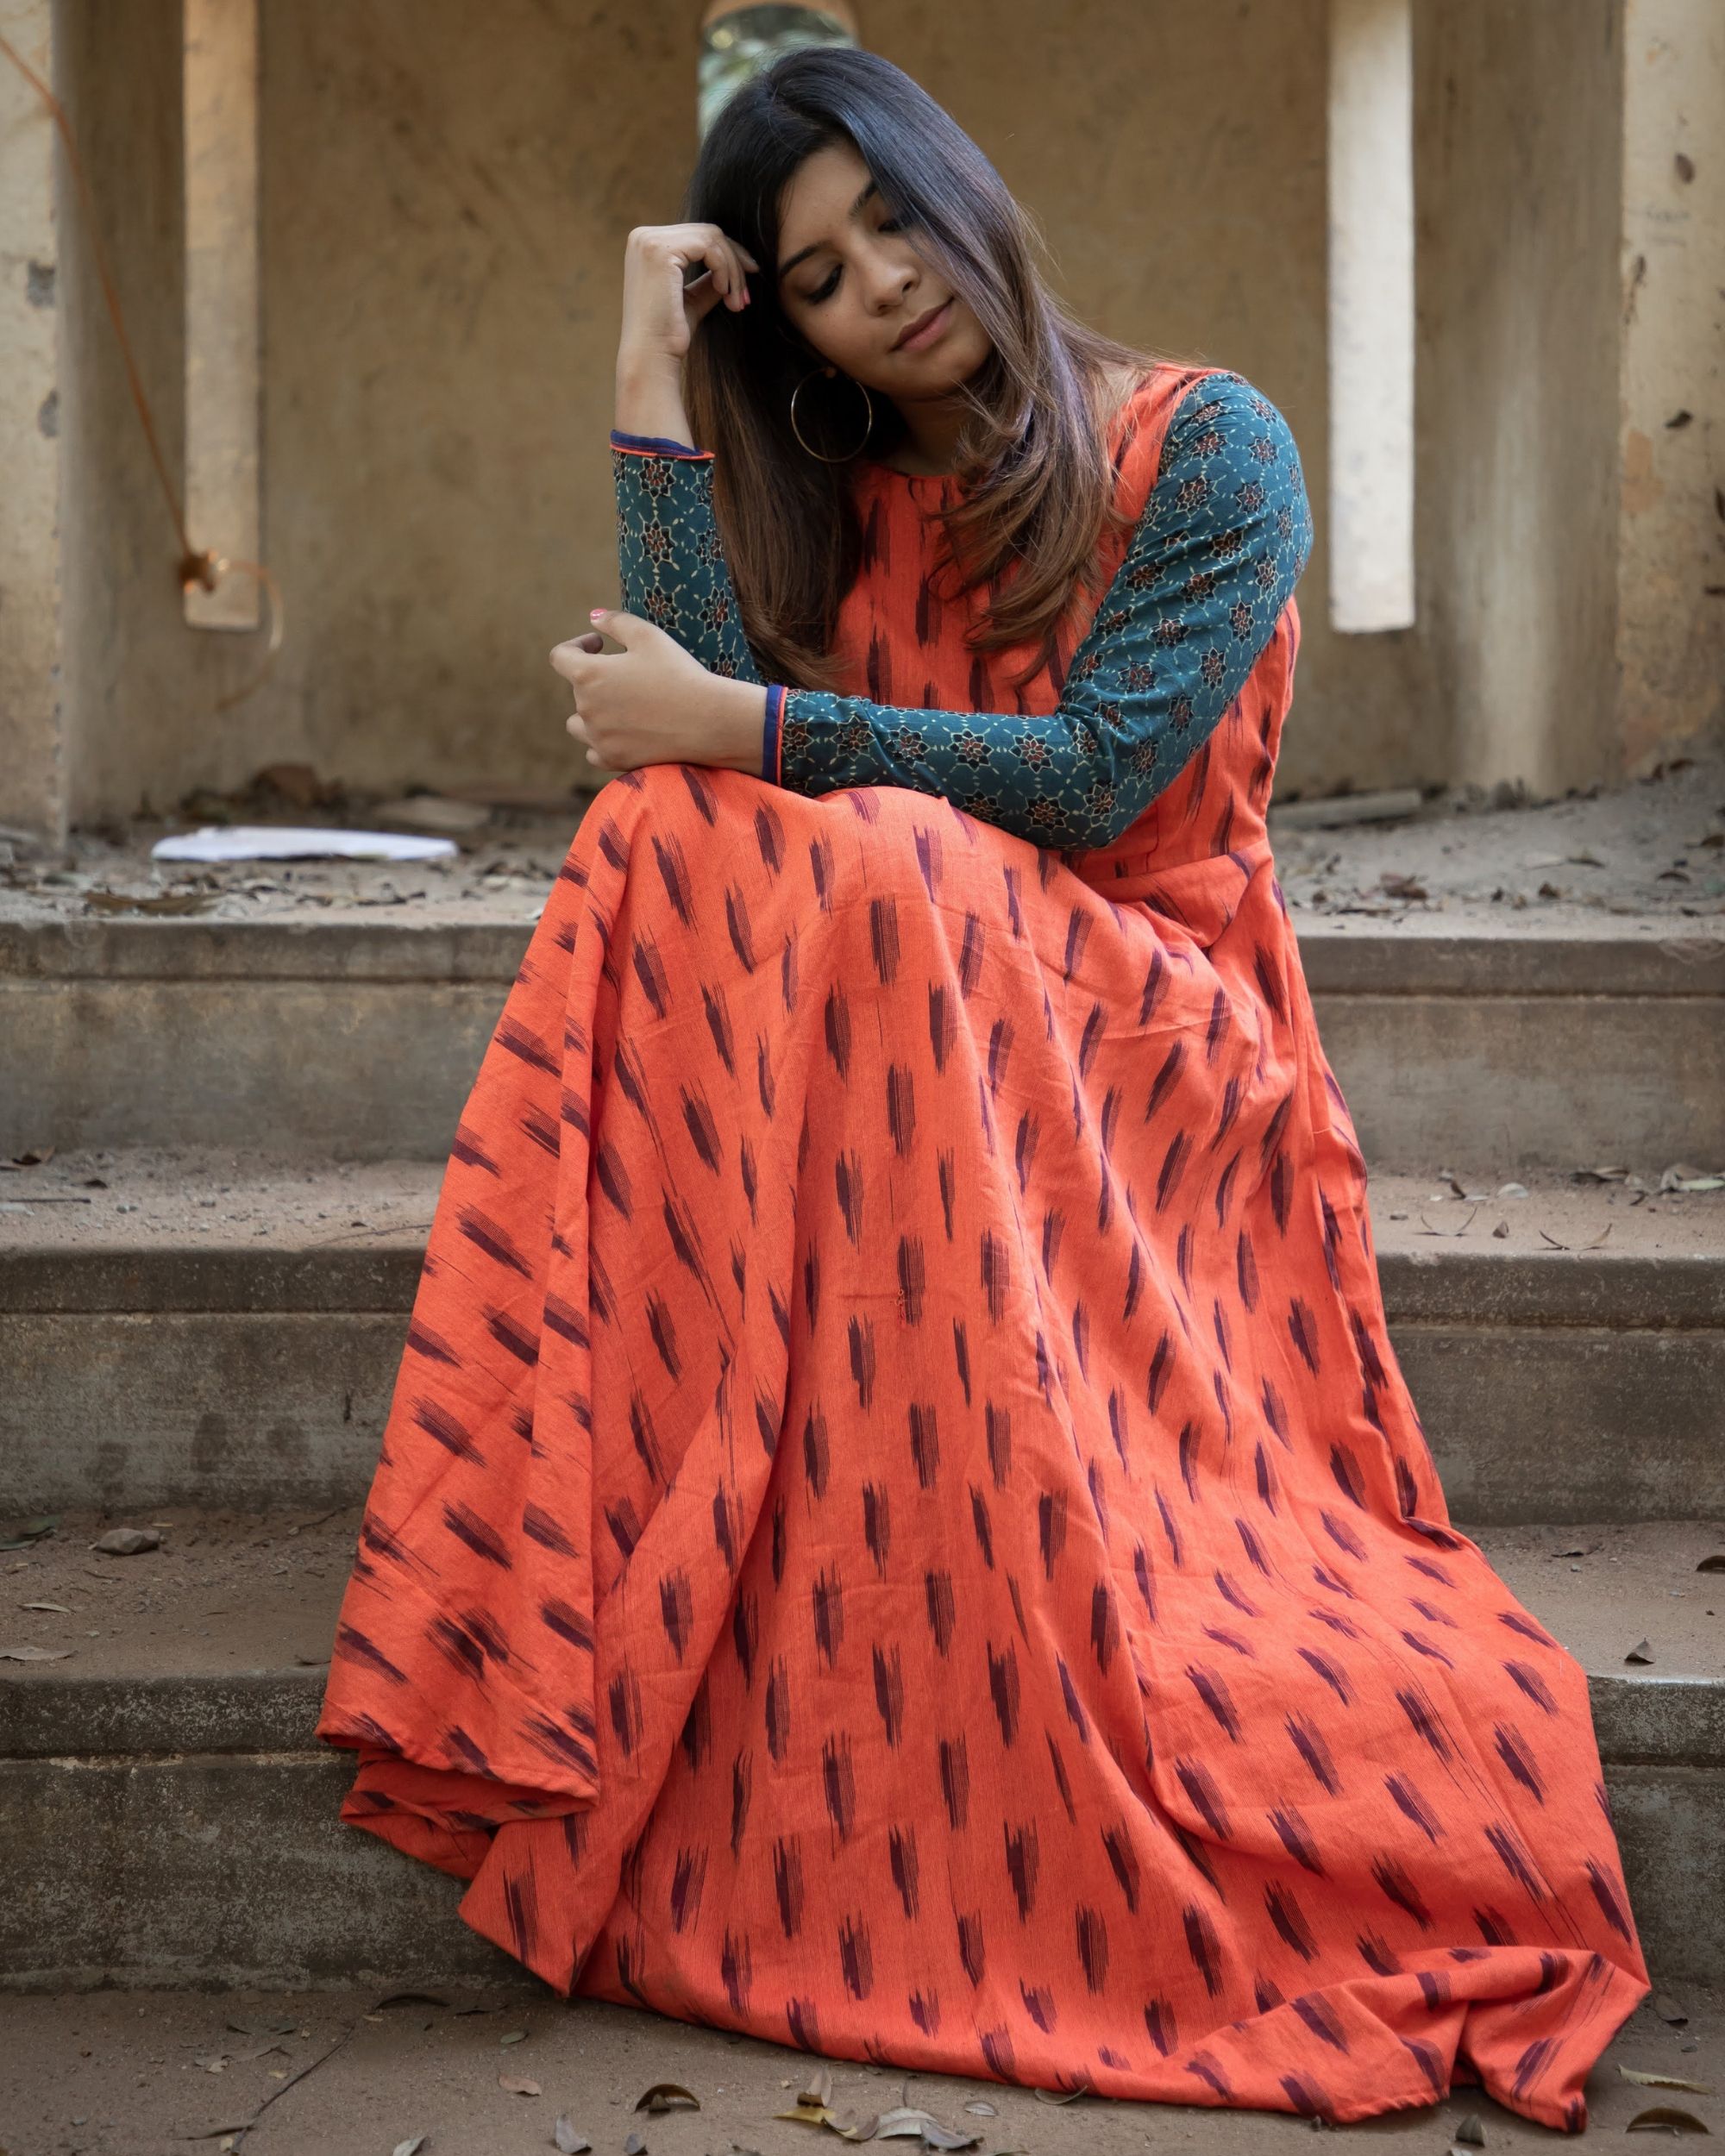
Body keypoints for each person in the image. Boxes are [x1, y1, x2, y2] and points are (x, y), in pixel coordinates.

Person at [316, 45, 1650, 2130]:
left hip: (1152, 1025)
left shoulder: (1208, 448)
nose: (883, 285)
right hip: (911, 1017)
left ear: (965, 189)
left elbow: (1102, 776)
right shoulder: (844, 493)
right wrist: (644, 373)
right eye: (821, 275)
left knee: (870, 838)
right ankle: (650, 1457)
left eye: (892, 220)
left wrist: (758, 727)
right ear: (802, 330)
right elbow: (692, 746)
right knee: (667, 842)